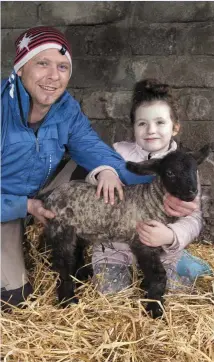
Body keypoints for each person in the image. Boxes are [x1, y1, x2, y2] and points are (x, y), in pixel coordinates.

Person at [0, 26, 201, 309]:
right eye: (41, 63)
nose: (53, 76)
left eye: (62, 66)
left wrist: (109, 169)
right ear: (20, 68)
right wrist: (25, 206)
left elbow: (95, 151)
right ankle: (31, 231)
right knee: (13, 298)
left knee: (88, 169)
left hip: (41, 186)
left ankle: (62, 236)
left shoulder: (65, 108)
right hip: (6, 201)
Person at [86, 79, 213, 293]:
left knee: (176, 294)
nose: (150, 130)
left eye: (160, 122)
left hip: (162, 252)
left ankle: (182, 261)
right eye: (142, 123)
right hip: (115, 251)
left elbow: (193, 217)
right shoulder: (117, 153)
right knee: (111, 297)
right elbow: (89, 180)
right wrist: (103, 173)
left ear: (175, 127)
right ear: (133, 127)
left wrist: (171, 236)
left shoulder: (185, 165)